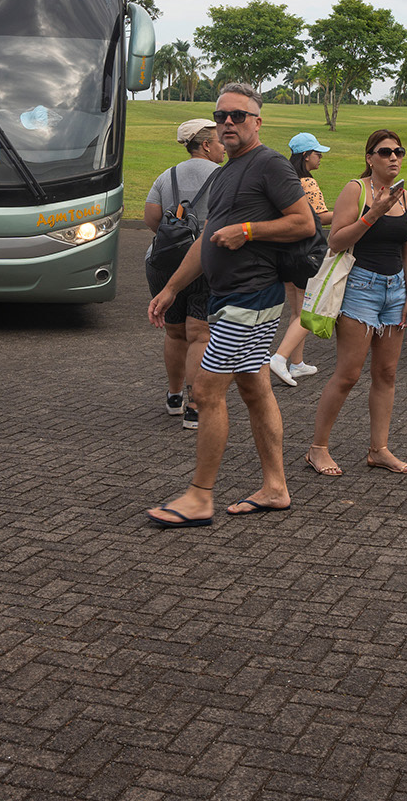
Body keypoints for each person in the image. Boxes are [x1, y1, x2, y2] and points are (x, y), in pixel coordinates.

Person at [145, 85, 315, 526]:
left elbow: (304, 222)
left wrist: (249, 231)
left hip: (250, 297)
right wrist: (171, 289)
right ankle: (275, 487)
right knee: (255, 387)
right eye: (221, 116)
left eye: (238, 116)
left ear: (257, 122)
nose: (227, 123)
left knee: (204, 391)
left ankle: (199, 497)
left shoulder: (269, 164)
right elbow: (205, 239)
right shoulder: (224, 173)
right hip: (227, 297)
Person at [303, 129, 407, 477]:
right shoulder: (356, 190)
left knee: (386, 373)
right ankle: (317, 449)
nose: (393, 157)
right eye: (385, 152)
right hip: (360, 288)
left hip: (394, 291)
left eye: (398, 151)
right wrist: (373, 214)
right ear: (370, 158)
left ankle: (378, 450)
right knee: (348, 374)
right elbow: (336, 241)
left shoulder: (405, 197)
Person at [143, 119, 224, 427]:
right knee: (200, 334)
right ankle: (195, 406)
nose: (223, 147)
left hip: (163, 265)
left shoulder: (167, 175)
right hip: (205, 263)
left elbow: (152, 218)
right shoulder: (223, 176)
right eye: (219, 141)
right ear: (206, 145)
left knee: (175, 332)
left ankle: (174, 396)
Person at [268, 132, 335, 386]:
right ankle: (280, 358)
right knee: (310, 310)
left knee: (297, 311)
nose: (320, 158)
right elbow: (321, 217)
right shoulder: (308, 183)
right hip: (307, 254)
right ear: (306, 156)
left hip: (285, 252)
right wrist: (350, 210)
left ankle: (297, 364)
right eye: (318, 154)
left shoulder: (284, 180)